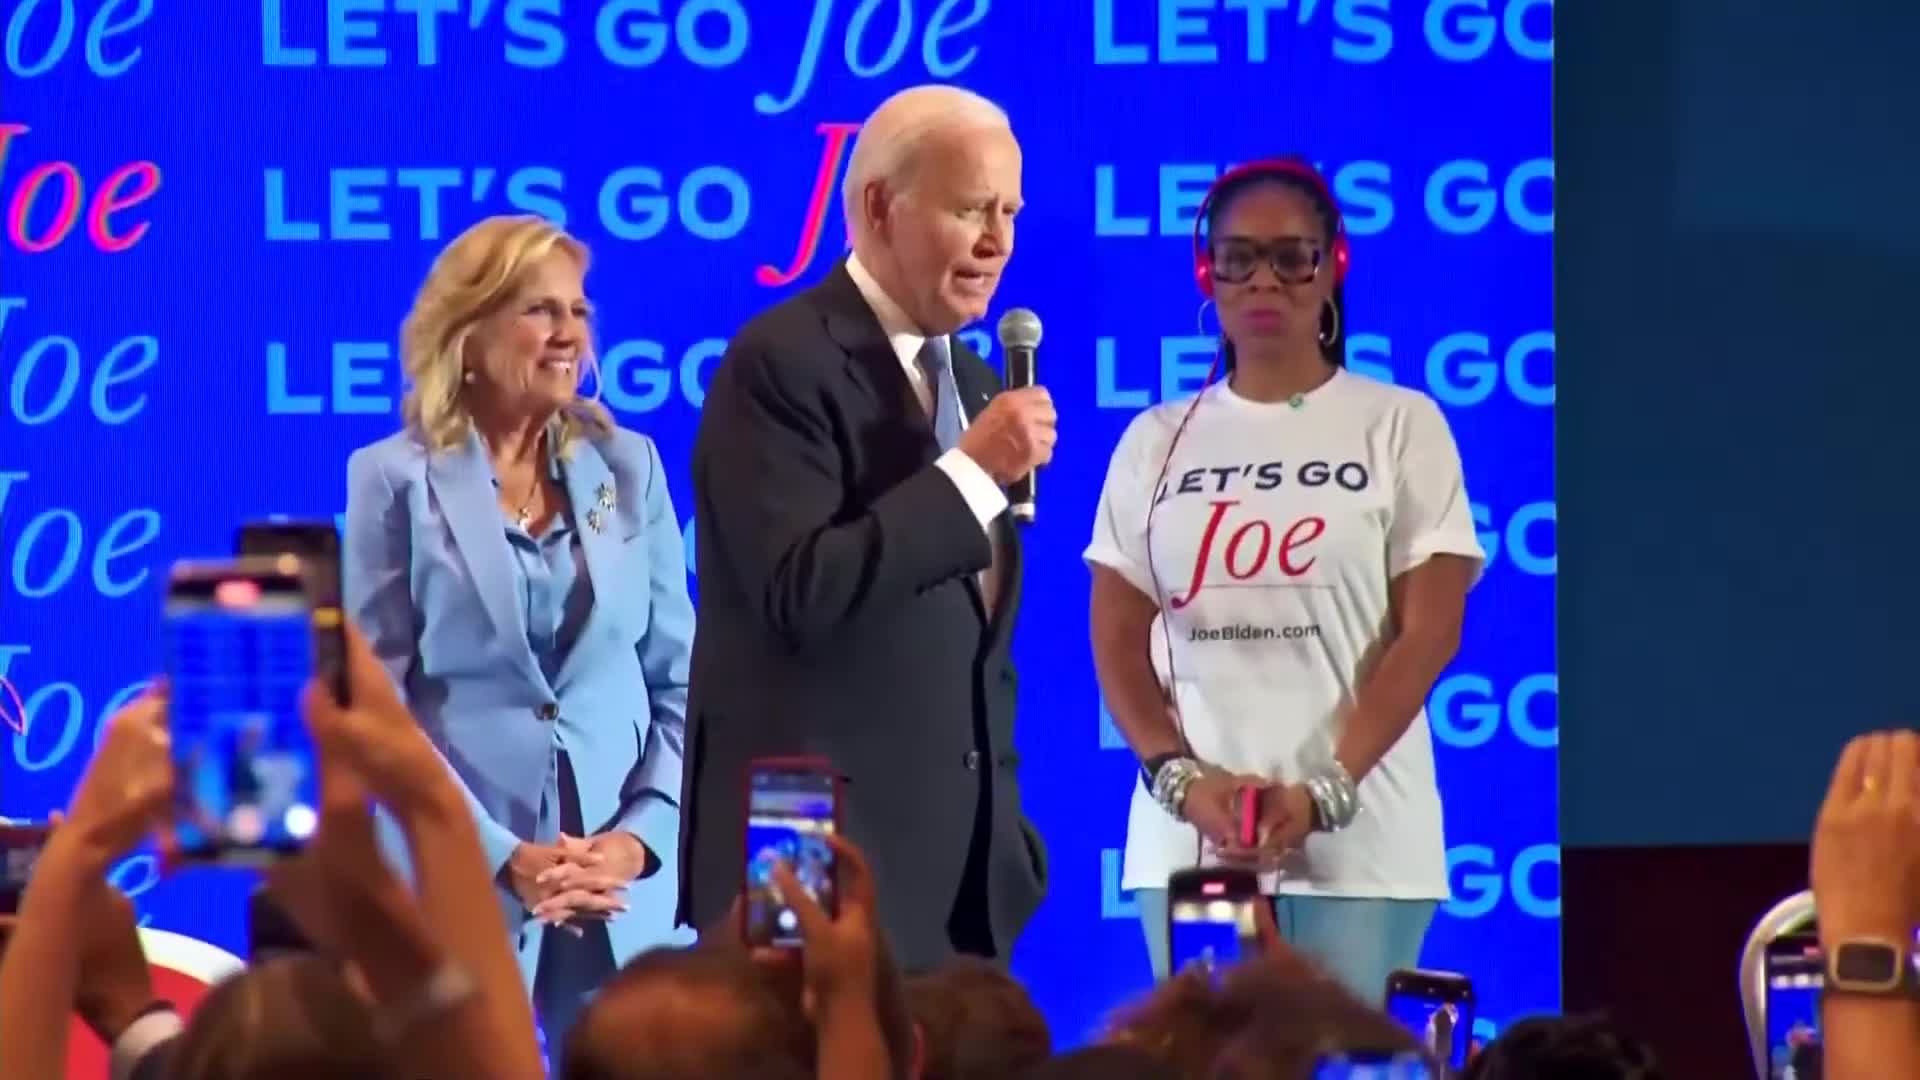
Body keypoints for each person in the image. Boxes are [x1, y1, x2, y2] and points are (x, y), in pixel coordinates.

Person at [1084, 158, 1484, 999]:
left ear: (1332, 264)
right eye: (1238, 256)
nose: (1263, 277)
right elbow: (1118, 642)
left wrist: (1326, 793)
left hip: (1361, 845)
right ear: (1207, 271)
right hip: (1194, 842)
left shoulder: (1401, 424)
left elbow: (1430, 633)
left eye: (1291, 255)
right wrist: (1181, 783)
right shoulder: (1154, 441)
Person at [678, 83, 1056, 973]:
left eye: (1010, 212)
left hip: (956, 888)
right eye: (971, 209)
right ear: (881, 206)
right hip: (812, 865)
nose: (998, 241)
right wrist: (971, 473)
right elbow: (802, 593)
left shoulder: (966, 372)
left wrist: (1009, 847)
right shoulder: (780, 360)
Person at [343, 214, 696, 1056]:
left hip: (619, 894)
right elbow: (377, 709)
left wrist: (637, 841)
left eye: (578, 310)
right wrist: (505, 858)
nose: (570, 332)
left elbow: (681, 682)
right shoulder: (391, 480)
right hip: (468, 886)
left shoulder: (629, 466)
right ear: (468, 337)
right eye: (540, 310)